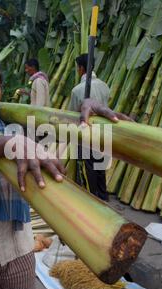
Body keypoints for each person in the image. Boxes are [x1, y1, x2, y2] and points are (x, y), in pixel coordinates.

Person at [0, 53, 127, 289]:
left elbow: (61, 126)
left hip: (18, 251)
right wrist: (9, 144)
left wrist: (85, 110)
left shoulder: (16, 122)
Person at [68, 54, 117, 202]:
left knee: (88, 166)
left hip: (87, 132)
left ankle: (93, 199)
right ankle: (103, 197)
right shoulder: (104, 85)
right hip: (103, 131)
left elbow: (72, 114)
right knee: (100, 165)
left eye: (78, 68)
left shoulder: (77, 90)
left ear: (81, 68)